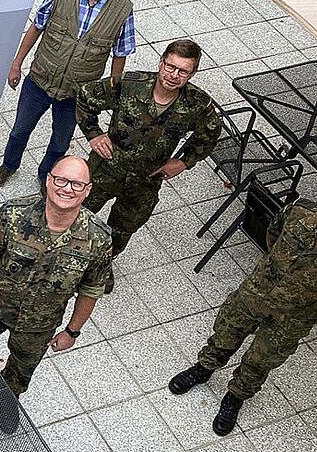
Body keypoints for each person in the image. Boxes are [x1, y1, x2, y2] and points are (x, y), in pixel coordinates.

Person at [170, 181, 317, 435]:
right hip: (255, 293)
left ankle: (235, 397)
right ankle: (203, 368)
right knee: (225, 334)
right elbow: (273, 233)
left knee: (261, 360)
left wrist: (311, 299)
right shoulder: (299, 212)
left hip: (291, 320)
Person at [0, 156, 112, 433]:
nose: (68, 189)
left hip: (39, 326)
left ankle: (8, 397)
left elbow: (91, 290)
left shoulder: (98, 238)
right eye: (61, 180)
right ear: (48, 180)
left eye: (77, 184)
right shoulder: (12, 214)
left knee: (22, 368)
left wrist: (72, 331)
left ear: (88, 190)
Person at [0, 0, 136, 189]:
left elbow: (120, 53)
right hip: (39, 80)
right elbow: (37, 26)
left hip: (77, 94)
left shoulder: (123, 9)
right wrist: (16, 64)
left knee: (60, 141)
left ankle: (47, 177)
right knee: (19, 130)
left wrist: (112, 91)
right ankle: (9, 165)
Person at [76, 38, 221, 280]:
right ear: (161, 62)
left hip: (144, 182)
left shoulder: (197, 104)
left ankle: (100, 267)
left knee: (122, 229)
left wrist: (184, 161)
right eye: (170, 67)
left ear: (192, 74)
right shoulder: (130, 85)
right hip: (105, 169)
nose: (174, 75)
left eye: (183, 71)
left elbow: (210, 134)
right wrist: (94, 134)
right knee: (77, 210)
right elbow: (85, 97)